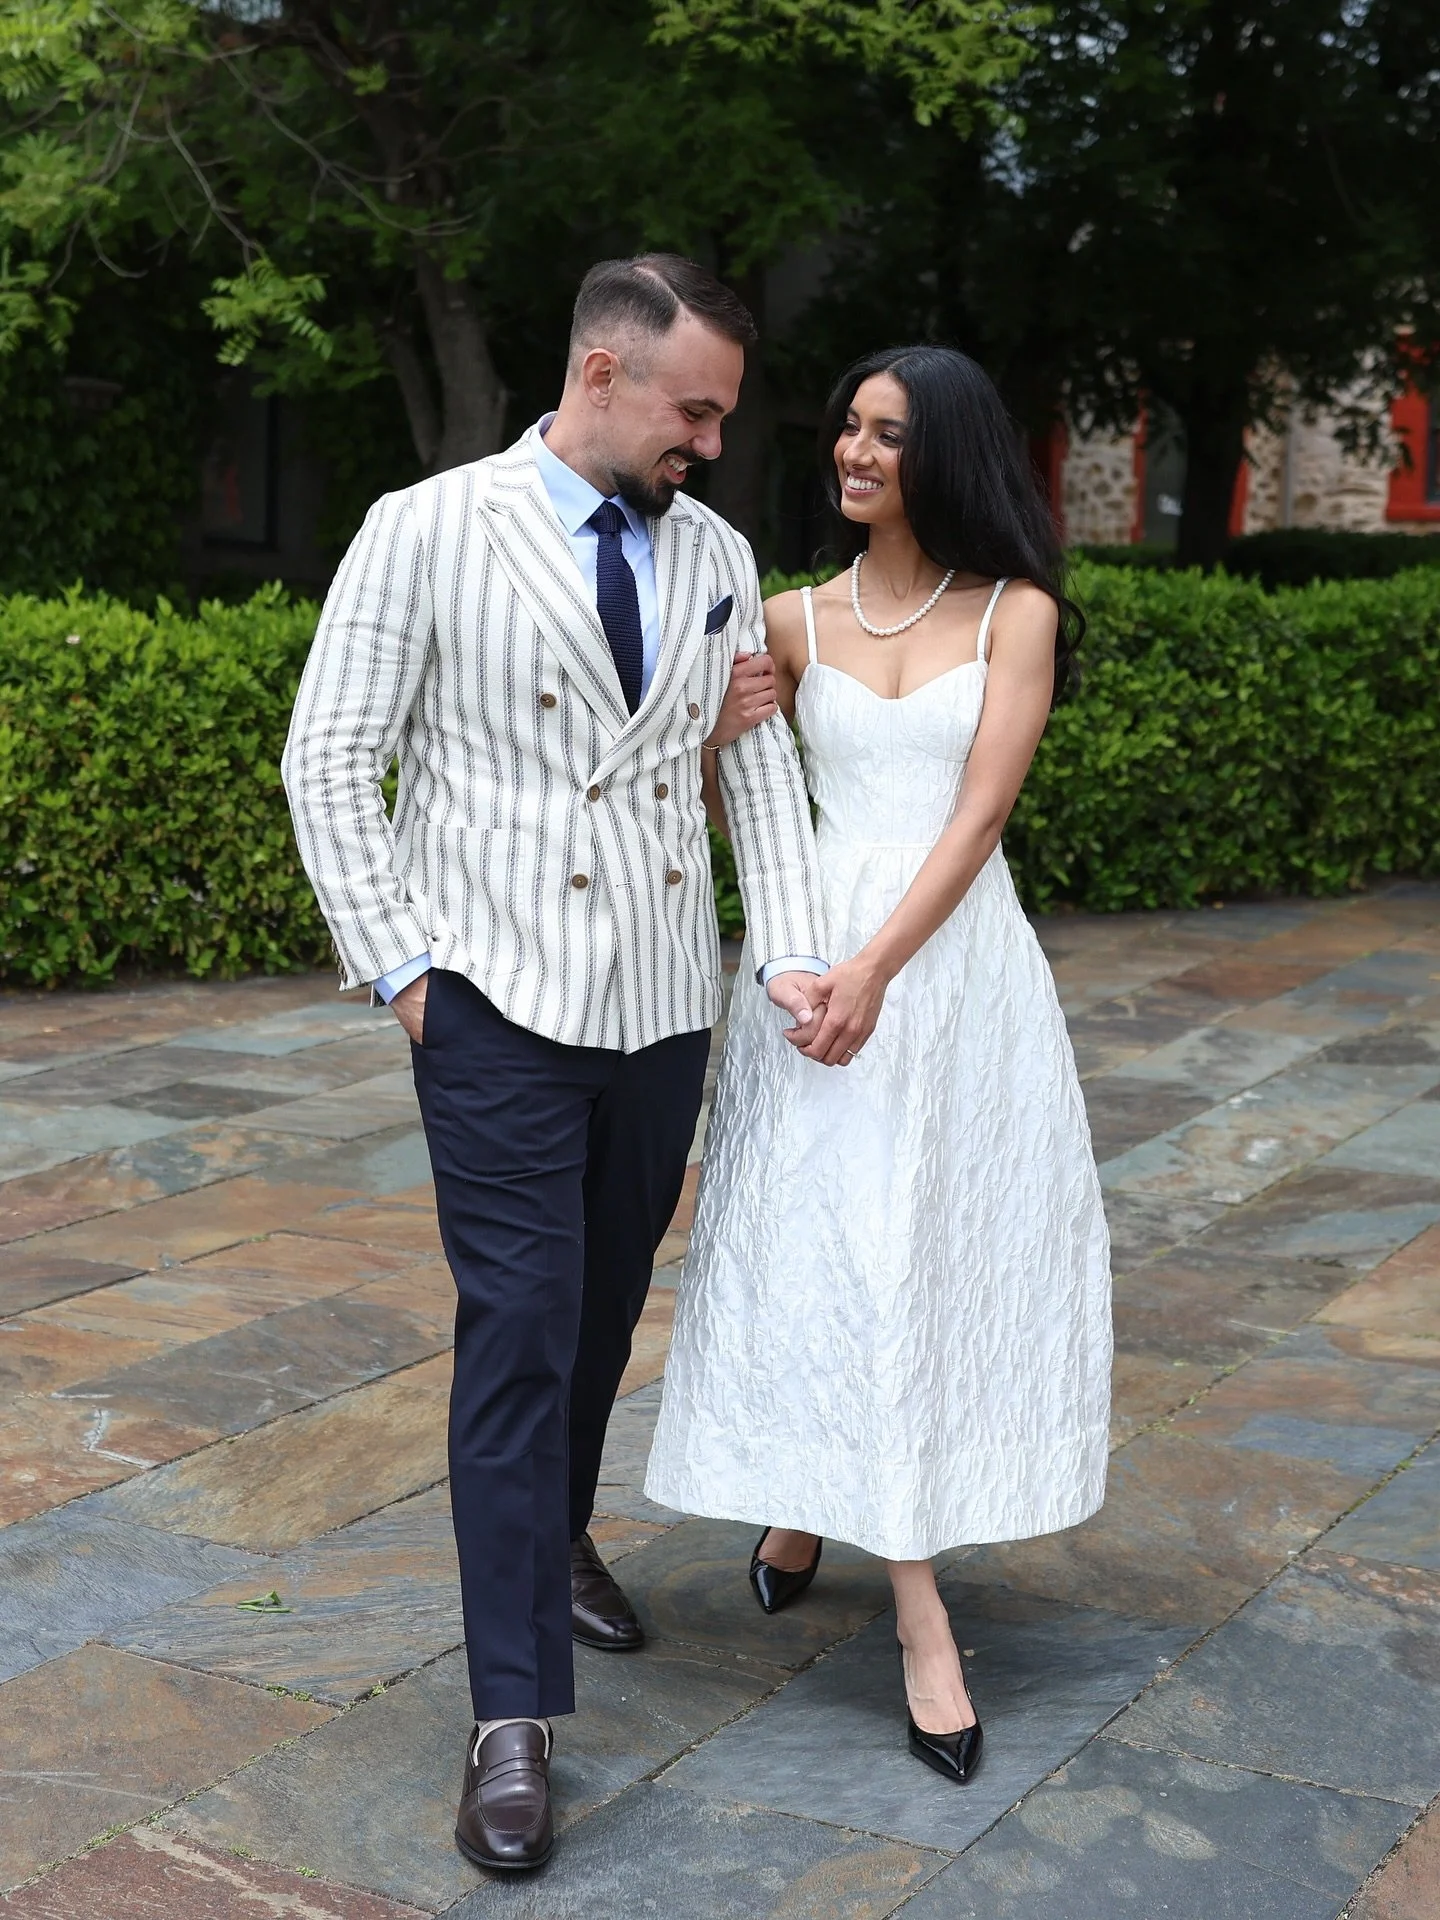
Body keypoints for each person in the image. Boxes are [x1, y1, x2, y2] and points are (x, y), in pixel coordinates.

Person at [282, 254, 830, 1873]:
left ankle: (558, 1532)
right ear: (603, 371)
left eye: (724, 415)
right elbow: (331, 757)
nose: (713, 444)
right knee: (518, 1327)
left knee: (601, 1306)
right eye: (695, 409)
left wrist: (790, 962)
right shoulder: (427, 526)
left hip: (661, 1001)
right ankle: (509, 1716)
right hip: (497, 1007)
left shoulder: (716, 552)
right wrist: (402, 972)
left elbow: (758, 783)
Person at [645, 344, 1113, 1786]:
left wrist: (879, 971)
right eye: (849, 426)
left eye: (887, 434)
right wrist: (743, 809)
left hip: (948, 972)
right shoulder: (787, 618)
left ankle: (875, 1563)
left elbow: (975, 827)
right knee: (826, 1247)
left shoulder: (1015, 615)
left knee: (922, 1257)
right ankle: (863, 1561)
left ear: (949, 455)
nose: (853, 451)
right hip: (812, 972)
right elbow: (752, 798)